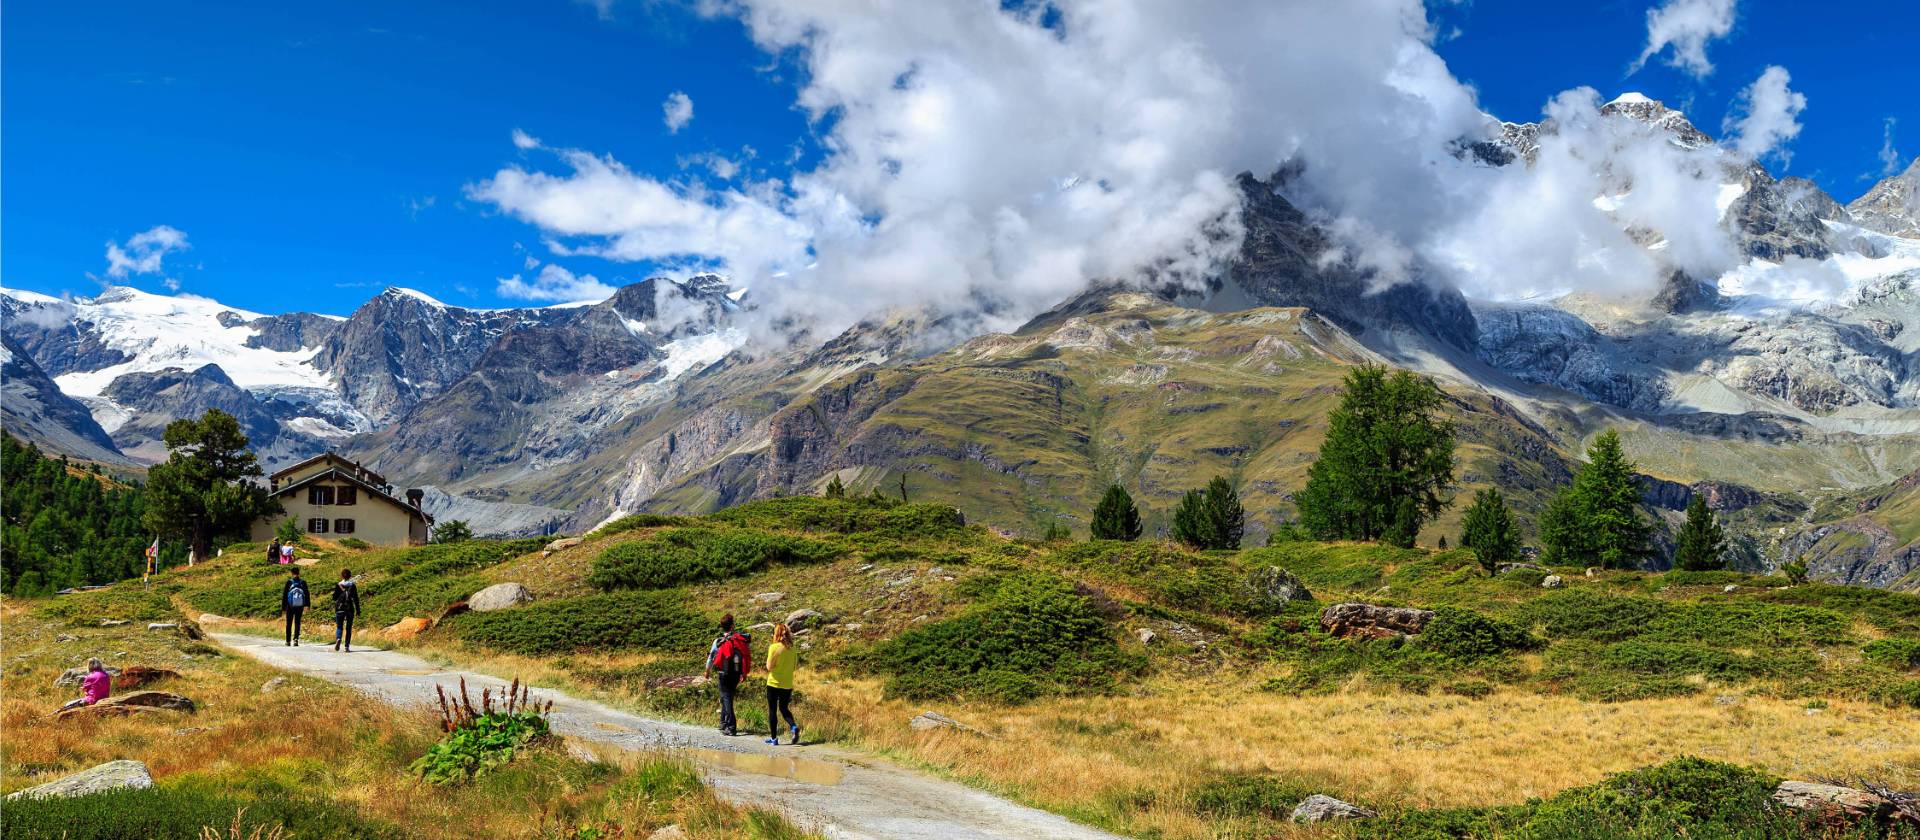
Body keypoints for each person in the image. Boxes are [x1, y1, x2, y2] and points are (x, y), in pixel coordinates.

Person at [705, 614, 752, 736]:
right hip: (736, 674)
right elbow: (745, 655)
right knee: (727, 697)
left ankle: (731, 726)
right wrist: (743, 672)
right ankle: (723, 723)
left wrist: (707, 671)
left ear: (722, 627)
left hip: (723, 673)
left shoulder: (718, 641)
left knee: (726, 698)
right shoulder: (739, 640)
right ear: (732, 626)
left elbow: (711, 657)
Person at [763, 622, 801, 746]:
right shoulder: (793, 649)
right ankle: (793, 727)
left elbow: (769, 667)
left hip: (773, 683)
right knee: (784, 708)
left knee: (772, 710)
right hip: (787, 684)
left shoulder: (773, 647)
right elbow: (794, 667)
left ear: (776, 634)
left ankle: (774, 739)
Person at [331, 568, 362, 652]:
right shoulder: (352, 585)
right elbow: (356, 599)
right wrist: (358, 610)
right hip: (349, 609)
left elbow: (334, 598)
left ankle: (338, 639)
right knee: (348, 628)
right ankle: (347, 646)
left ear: (341, 576)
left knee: (339, 626)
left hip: (340, 609)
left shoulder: (338, 585)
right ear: (350, 576)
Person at [282, 567, 310, 646]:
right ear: (299, 573)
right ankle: (296, 640)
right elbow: (307, 594)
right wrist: (307, 605)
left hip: (290, 606)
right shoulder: (303, 582)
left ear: (291, 573)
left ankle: (288, 641)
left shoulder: (289, 582)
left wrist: (283, 607)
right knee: (297, 622)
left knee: (289, 623)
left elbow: (284, 595)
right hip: (299, 606)